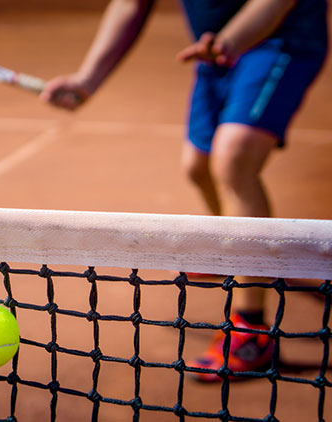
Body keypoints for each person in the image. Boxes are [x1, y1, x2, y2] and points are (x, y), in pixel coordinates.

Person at [40, 0, 329, 381]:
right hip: (214, 52)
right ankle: (240, 250)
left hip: (279, 39)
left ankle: (253, 334)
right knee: (198, 166)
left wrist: (231, 40)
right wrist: (88, 78)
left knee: (233, 159)